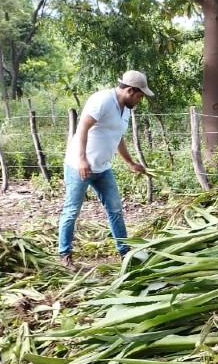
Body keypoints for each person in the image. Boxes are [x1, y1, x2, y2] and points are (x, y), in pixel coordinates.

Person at [57, 70, 154, 269]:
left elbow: (117, 136)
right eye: (139, 95)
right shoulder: (101, 101)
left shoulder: (125, 108)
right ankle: (64, 254)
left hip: (102, 168)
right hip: (79, 167)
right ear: (129, 90)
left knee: (116, 210)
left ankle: (125, 252)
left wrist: (129, 162)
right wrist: (82, 160)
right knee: (72, 211)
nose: (140, 100)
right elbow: (82, 127)